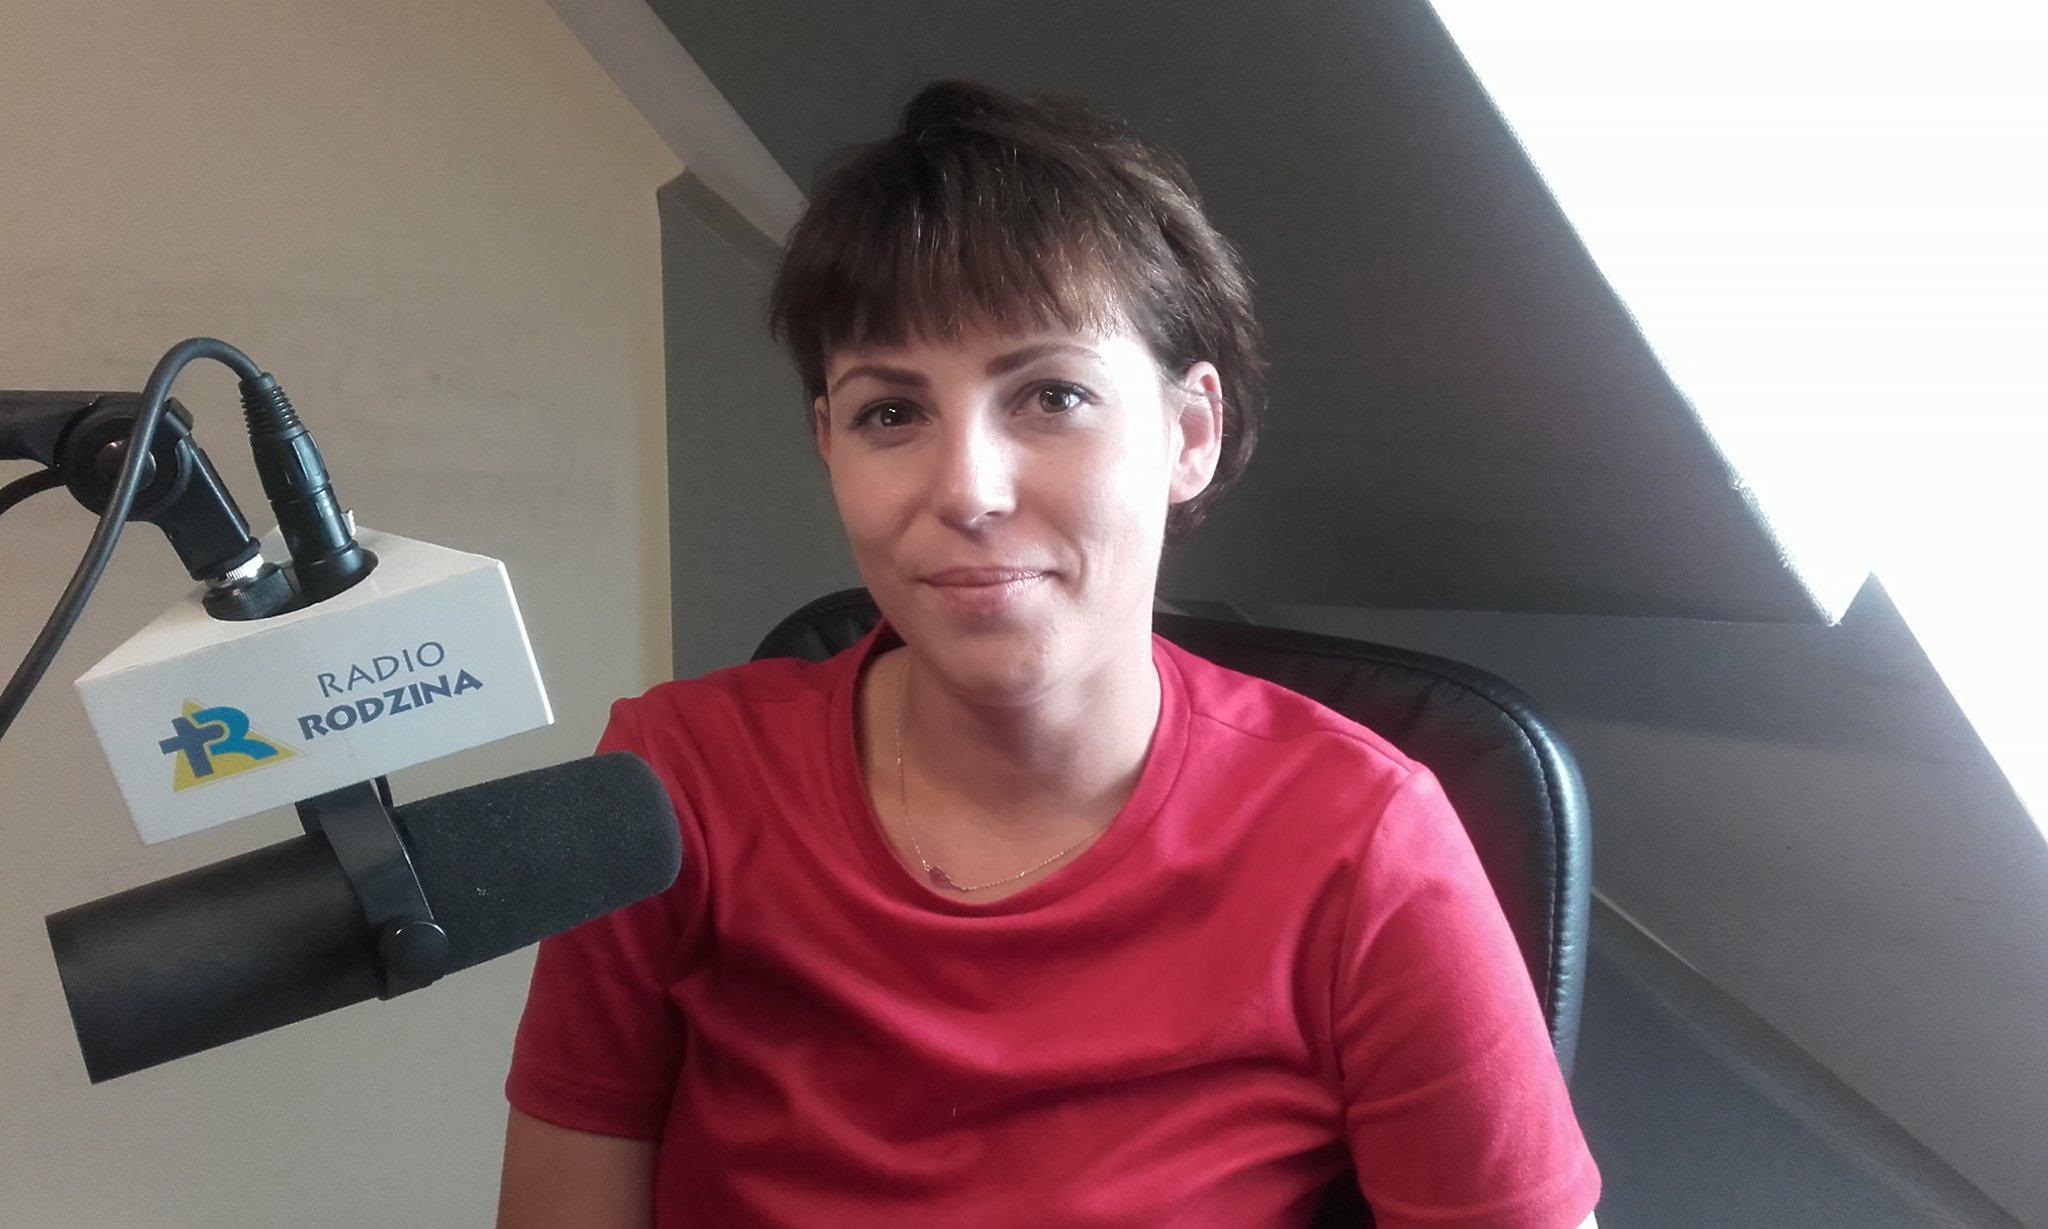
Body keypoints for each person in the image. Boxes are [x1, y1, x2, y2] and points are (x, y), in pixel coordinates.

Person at [498, 80, 1601, 1228]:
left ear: (1188, 432)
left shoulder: (1360, 842)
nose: (966, 489)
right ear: (828, 441)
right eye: (890, 412)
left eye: (1052, 395)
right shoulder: (667, 787)